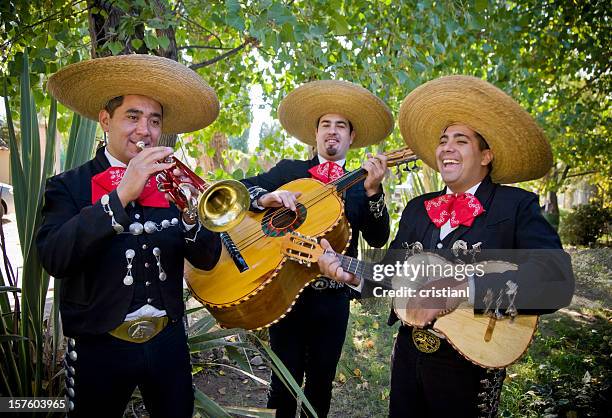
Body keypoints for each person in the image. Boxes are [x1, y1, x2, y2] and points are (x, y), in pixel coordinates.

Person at [318, 75, 574, 417]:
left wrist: (462, 286)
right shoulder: (416, 209)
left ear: (486, 156)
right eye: (442, 140)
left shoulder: (515, 206)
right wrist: (347, 273)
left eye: (461, 140)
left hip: (473, 362)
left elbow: (556, 280)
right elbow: (390, 273)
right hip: (409, 356)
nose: (446, 147)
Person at [37, 54, 222, 417]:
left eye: (154, 121)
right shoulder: (68, 186)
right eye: (133, 117)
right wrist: (120, 197)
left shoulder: (172, 184)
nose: (145, 131)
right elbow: (54, 258)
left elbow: (208, 258)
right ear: (105, 121)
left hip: (167, 342)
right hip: (98, 346)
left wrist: (189, 215)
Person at [242, 80, 394, 417]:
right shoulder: (289, 171)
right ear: (316, 133)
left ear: (351, 138)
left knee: (321, 384)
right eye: (326, 124)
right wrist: (266, 197)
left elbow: (379, 237)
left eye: (341, 125)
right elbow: (241, 191)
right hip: (286, 292)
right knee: (282, 382)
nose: (333, 131)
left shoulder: (360, 183)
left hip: (333, 298)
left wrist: (373, 192)